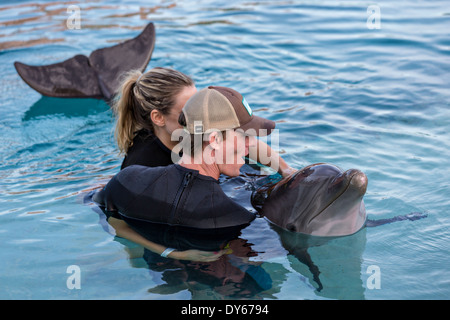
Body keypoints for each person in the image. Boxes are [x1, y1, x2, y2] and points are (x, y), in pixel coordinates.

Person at [94, 86, 278, 257]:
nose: (253, 143)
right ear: (214, 139)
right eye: (245, 136)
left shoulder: (127, 181)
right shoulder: (234, 217)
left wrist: (168, 252)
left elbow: (109, 218)